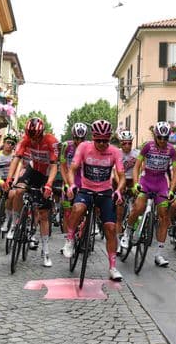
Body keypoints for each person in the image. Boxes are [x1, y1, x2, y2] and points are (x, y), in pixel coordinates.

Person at [67, 120, 125, 281]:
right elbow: (72, 169)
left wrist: (119, 190)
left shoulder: (115, 152)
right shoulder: (84, 147)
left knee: (111, 228)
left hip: (105, 191)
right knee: (77, 209)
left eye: (105, 140)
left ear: (109, 139)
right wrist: (71, 185)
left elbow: (121, 176)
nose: (101, 143)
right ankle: (70, 239)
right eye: (98, 140)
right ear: (93, 138)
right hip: (86, 189)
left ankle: (113, 267)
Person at [3, 117, 59, 268]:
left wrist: (48, 185)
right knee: (18, 190)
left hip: (46, 174)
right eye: (31, 137)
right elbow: (16, 159)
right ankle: (15, 225)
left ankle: (46, 252)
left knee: (43, 215)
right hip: (33, 170)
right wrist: (9, 179)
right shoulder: (25, 139)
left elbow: (54, 166)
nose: (33, 140)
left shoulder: (51, 141)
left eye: (36, 137)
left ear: (42, 133)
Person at [121, 121, 176, 268]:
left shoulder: (172, 150)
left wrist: (172, 190)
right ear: (155, 136)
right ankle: (127, 233)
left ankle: (158, 254)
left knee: (164, 215)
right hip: (146, 180)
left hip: (161, 183)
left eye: (166, 138)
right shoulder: (147, 146)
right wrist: (135, 183)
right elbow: (136, 167)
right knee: (138, 207)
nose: (163, 141)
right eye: (160, 138)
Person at [59, 123, 88, 253]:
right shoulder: (66, 146)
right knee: (68, 212)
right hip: (69, 178)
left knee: (83, 210)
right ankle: (68, 240)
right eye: (76, 138)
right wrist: (66, 183)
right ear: (73, 136)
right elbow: (63, 166)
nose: (79, 141)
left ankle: (83, 233)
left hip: (83, 180)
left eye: (82, 139)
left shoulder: (89, 147)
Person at [114, 129, 138, 252]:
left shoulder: (137, 154)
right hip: (120, 181)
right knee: (119, 215)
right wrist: (120, 186)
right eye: (124, 143)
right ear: (120, 143)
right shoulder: (117, 154)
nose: (127, 146)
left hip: (132, 181)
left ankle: (131, 230)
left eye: (129, 143)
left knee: (137, 207)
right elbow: (115, 172)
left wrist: (136, 185)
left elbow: (139, 171)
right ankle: (118, 244)